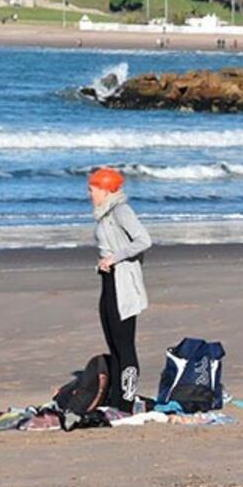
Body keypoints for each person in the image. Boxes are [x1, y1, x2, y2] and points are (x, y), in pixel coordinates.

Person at [89, 167, 151, 412]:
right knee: (113, 344)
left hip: (123, 283)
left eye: (92, 189)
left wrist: (114, 258)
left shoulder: (121, 210)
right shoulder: (104, 213)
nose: (90, 194)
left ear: (105, 190)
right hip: (108, 281)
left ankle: (126, 400)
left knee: (124, 345)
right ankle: (115, 399)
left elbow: (144, 240)